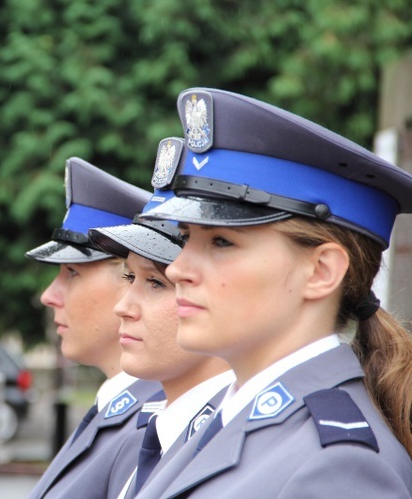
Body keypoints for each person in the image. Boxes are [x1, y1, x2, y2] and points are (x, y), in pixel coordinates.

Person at [134, 88, 412, 498]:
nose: (177, 269)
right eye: (187, 238)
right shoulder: (224, 418)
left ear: (321, 271)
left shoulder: (338, 467)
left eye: (222, 243)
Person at [88, 137, 234, 498]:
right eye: (128, 277)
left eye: (155, 282)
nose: (123, 307)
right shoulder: (165, 433)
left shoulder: (233, 442)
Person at [25, 157, 161, 499]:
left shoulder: (151, 425)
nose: (48, 296)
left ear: (131, 277)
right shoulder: (119, 408)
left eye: (72, 273)